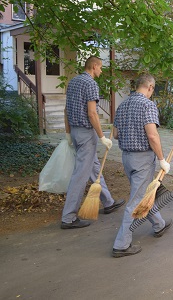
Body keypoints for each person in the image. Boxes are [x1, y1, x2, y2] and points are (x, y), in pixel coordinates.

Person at [111, 74, 172, 258]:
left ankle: (158, 225)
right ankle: (121, 244)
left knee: (145, 193)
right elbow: (152, 136)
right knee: (136, 200)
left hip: (127, 158)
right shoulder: (147, 105)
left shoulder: (123, 104)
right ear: (150, 87)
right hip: (143, 159)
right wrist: (162, 159)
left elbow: (114, 134)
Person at [61, 56, 125, 229]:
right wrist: (102, 136)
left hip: (75, 131)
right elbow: (92, 113)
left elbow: (66, 110)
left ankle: (108, 202)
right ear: (94, 66)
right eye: (101, 67)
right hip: (86, 133)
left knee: (94, 167)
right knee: (80, 175)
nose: (101, 71)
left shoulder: (73, 82)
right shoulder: (91, 84)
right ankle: (68, 217)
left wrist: (68, 133)